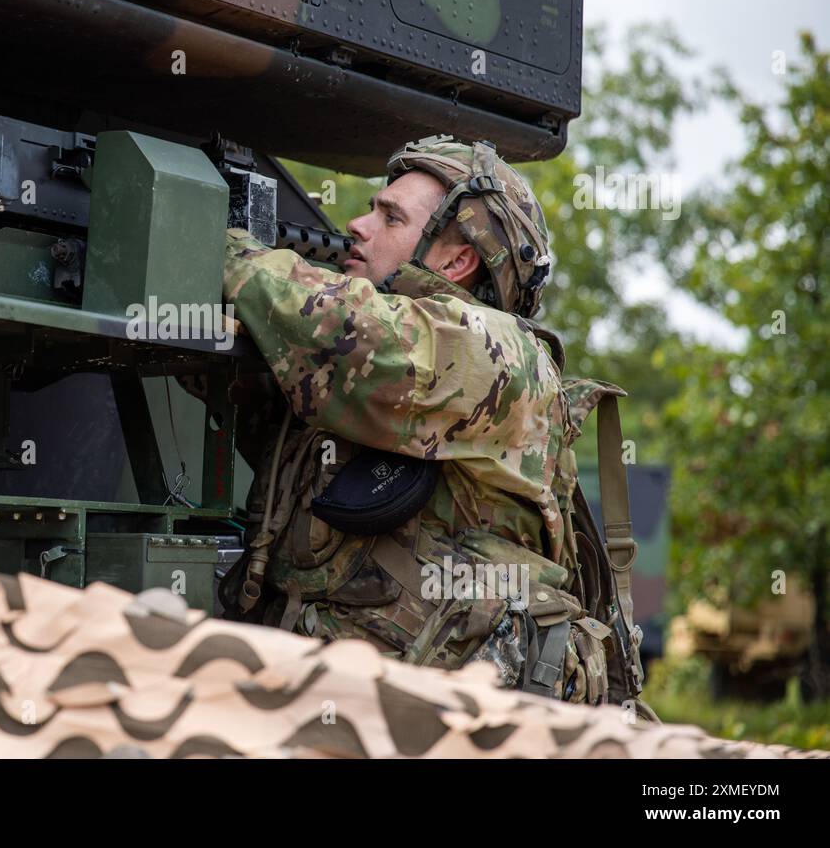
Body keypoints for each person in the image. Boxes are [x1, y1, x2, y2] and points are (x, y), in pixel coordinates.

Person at [220, 135, 648, 707]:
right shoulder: (384, 388)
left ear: (456, 260)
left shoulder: (494, 351)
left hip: (452, 719)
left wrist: (219, 248)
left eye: (389, 216)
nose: (357, 223)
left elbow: (342, 329)